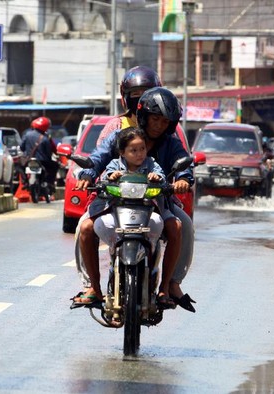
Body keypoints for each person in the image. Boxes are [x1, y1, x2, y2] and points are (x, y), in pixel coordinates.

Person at [72, 87, 197, 312]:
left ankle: (169, 286)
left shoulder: (171, 143)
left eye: (164, 121)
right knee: (85, 227)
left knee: (181, 225)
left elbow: (182, 164)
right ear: (143, 116)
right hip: (114, 201)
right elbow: (98, 158)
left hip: (156, 202)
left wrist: (183, 180)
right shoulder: (122, 136)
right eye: (155, 119)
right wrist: (88, 175)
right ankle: (93, 288)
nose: (159, 125)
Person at [76, 127, 177, 308]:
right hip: (116, 212)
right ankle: (94, 288)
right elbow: (104, 173)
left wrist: (158, 178)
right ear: (122, 152)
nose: (139, 154)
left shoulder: (152, 164)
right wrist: (110, 178)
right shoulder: (115, 164)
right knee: (85, 228)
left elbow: (161, 177)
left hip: (148, 212)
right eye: (133, 150)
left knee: (176, 225)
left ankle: (165, 288)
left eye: (142, 149)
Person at [96, 65, 162, 145]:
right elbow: (101, 151)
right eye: (135, 94)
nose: (141, 98)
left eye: (146, 93)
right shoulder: (115, 126)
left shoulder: (162, 124)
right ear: (126, 98)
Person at [20, 116, 58, 196]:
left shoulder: (27, 135)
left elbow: (21, 147)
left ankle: (24, 182)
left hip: (29, 160)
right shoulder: (46, 138)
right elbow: (48, 152)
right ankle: (50, 183)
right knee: (55, 165)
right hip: (43, 161)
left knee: (21, 167)